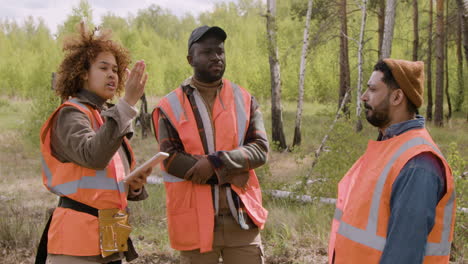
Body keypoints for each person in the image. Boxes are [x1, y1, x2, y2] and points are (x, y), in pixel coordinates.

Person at [36, 22, 151, 264]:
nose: (112, 74)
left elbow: (107, 176)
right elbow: (94, 157)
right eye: (104, 67)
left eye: (116, 70)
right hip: (76, 238)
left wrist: (135, 185)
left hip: (111, 232)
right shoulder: (71, 114)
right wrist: (128, 104)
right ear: (83, 73)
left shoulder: (103, 116)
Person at [152, 25, 269, 264]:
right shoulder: (169, 105)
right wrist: (229, 174)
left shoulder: (244, 99)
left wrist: (216, 162)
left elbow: (259, 149)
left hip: (242, 218)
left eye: (220, 51)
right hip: (194, 221)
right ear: (190, 59)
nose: (216, 57)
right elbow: (171, 159)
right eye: (207, 52)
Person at [328, 59, 456, 264]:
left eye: (372, 89)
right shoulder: (389, 146)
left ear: (397, 97)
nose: (363, 96)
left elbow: (403, 256)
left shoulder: (418, 163)